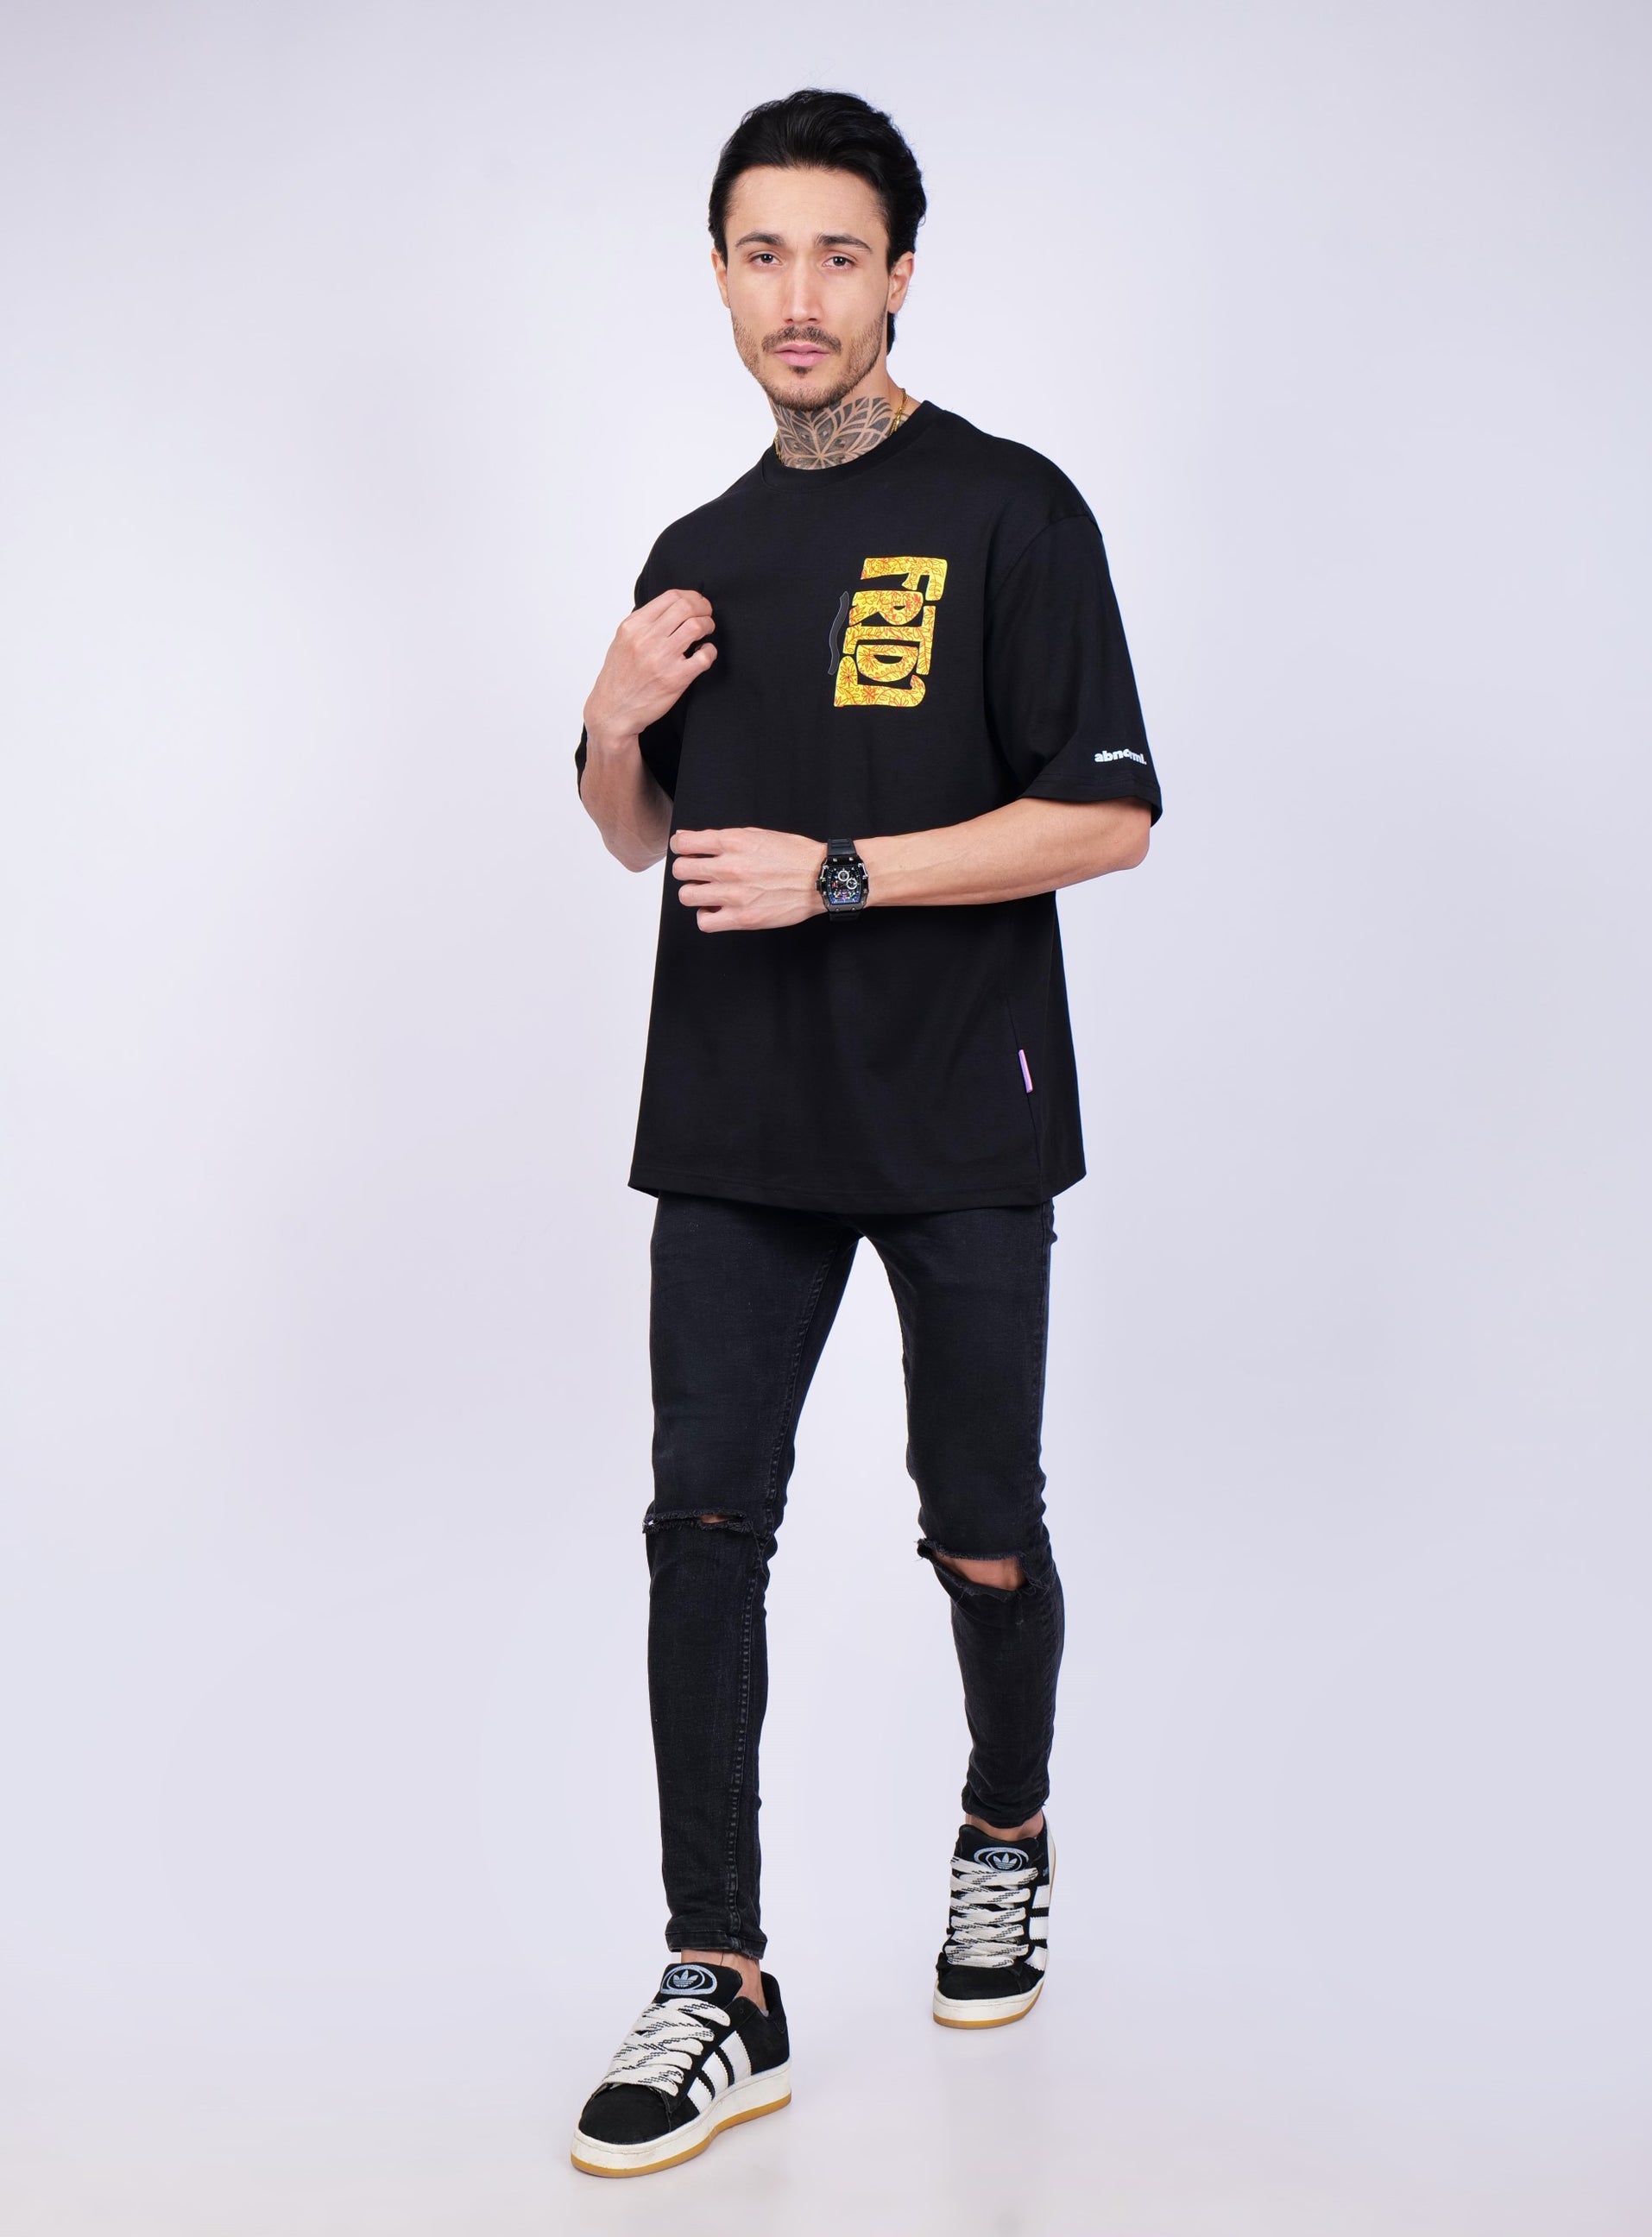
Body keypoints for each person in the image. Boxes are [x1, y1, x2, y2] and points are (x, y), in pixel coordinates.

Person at [568, 87, 1161, 2179]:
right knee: (700, 1527)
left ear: (899, 273)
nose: (797, 295)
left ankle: (1004, 1826)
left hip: (960, 1105)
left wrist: (841, 875)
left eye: (837, 252)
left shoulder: (1010, 510)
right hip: (733, 1115)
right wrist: (613, 717)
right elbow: (633, 835)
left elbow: (1107, 816)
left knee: (977, 1521)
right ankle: (717, 1976)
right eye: (761, 254)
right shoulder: (695, 552)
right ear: (720, 278)